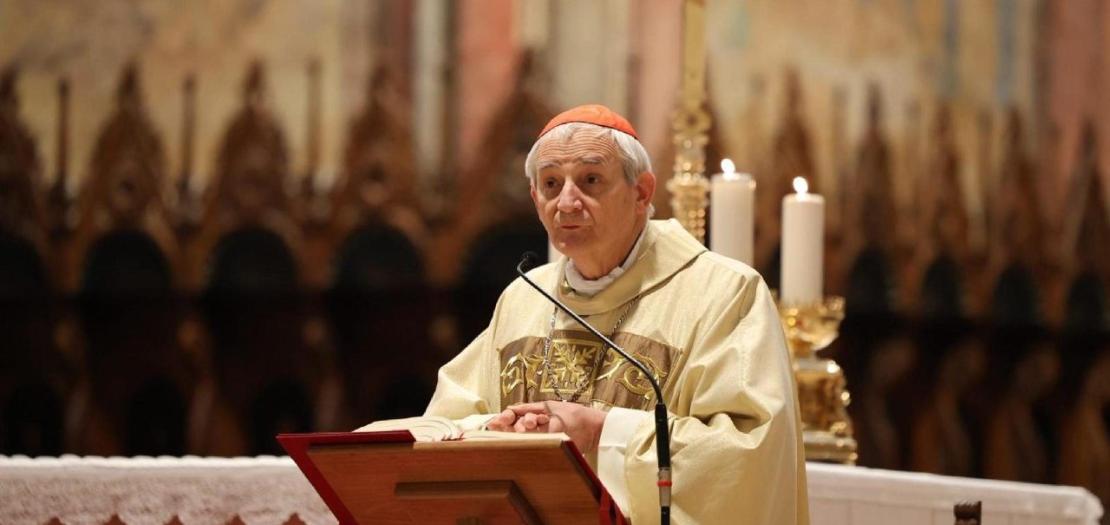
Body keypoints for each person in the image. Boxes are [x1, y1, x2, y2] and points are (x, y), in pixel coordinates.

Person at [425, 104, 808, 524]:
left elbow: (749, 455)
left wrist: (602, 432)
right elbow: (444, 428)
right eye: (551, 184)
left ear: (641, 192)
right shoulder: (524, 298)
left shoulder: (725, 294)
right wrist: (499, 431)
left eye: (590, 180)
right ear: (535, 199)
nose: (567, 202)